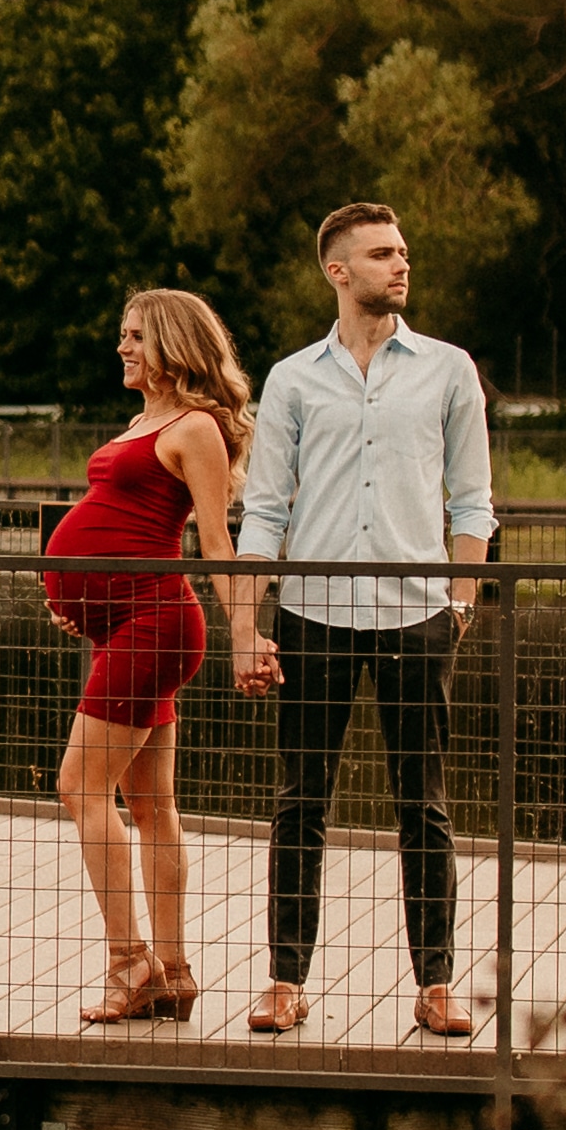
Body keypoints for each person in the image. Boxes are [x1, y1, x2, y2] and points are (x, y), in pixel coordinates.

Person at [228, 201, 496, 1040]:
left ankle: (438, 983)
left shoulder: (450, 370)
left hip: (419, 617)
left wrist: (459, 602)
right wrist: (246, 624)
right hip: (312, 615)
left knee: (425, 804)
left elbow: (474, 502)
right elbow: (264, 512)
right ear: (338, 271)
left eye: (404, 251)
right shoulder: (293, 378)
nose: (400, 264)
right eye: (382, 254)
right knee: (300, 800)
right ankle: (284, 980)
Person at [38, 286, 255, 1026]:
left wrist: (246, 635)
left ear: (170, 341)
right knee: (152, 806)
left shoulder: (196, 426)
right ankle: (173, 970)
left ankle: (128, 963)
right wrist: (83, 602)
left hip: (156, 622)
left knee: (78, 786)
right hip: (125, 623)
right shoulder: (146, 421)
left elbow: (217, 544)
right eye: (122, 334)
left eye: (135, 335)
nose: (123, 347)